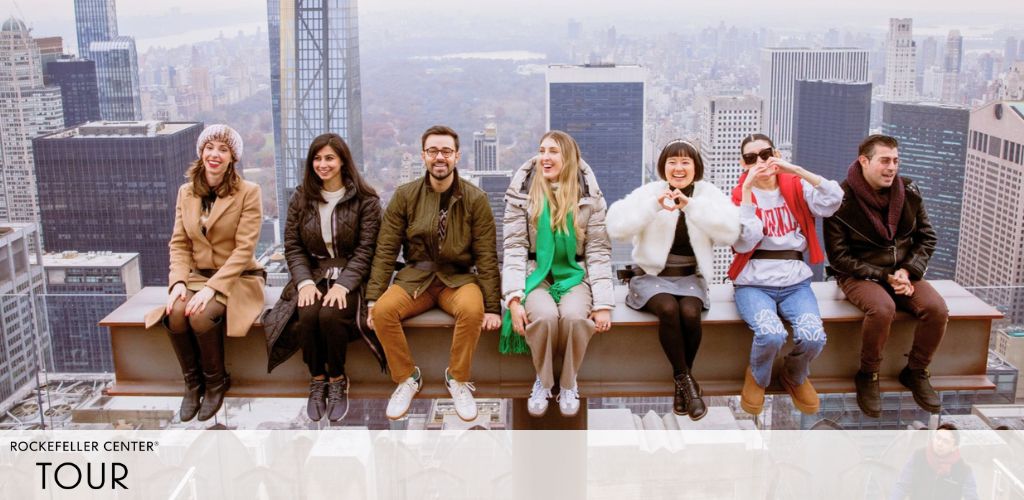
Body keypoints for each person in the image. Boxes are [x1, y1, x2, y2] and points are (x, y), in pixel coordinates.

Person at [365, 125, 501, 422]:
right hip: (417, 278)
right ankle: (406, 378)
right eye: (433, 151)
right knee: (384, 312)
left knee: (472, 309)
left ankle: (457, 378)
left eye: (446, 151)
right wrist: (373, 297)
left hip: (459, 278)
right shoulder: (405, 196)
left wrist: (493, 306)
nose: (440, 157)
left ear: (457, 156)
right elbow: (386, 250)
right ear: (423, 155)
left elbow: (487, 255)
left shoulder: (475, 199)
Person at [606, 139, 740, 420]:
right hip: (652, 276)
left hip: (690, 275)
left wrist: (691, 207)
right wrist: (652, 208)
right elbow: (616, 226)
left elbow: (730, 231)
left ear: (696, 167)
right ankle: (688, 384)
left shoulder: (707, 194)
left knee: (690, 313)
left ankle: (682, 386)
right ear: (663, 167)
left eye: (685, 162)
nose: (678, 168)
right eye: (672, 162)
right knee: (668, 309)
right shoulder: (651, 192)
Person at [144, 124, 265, 422]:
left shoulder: (249, 192)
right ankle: (192, 383)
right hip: (195, 275)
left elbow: (244, 250)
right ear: (201, 152)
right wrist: (178, 283)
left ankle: (215, 381)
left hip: (236, 277)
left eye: (223, 150)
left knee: (199, 315)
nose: (215, 154)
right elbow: (179, 243)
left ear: (232, 158)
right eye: (210, 147)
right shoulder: (186, 192)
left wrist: (213, 288)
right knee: (175, 312)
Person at [825, 134, 948, 418]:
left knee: (936, 309)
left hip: (903, 272)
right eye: (884, 160)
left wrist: (907, 271)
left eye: (895, 160)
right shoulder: (840, 201)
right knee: (882, 309)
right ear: (864, 161)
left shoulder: (909, 192)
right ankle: (868, 375)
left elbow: (927, 237)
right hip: (859, 274)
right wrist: (884, 275)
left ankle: (916, 370)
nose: (891, 167)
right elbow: (840, 258)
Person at [266, 133, 384, 423]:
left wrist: (344, 285)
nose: (323, 164)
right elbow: (293, 246)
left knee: (331, 316)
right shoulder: (301, 198)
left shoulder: (365, 200)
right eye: (317, 158)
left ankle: (337, 378)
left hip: (352, 275)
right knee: (306, 316)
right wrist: (305, 282)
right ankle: (317, 378)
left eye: (329, 157)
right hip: (314, 274)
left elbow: (367, 249)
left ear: (343, 160)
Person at [501, 130, 614, 418]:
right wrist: (514, 298)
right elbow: (514, 246)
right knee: (545, 317)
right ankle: (544, 380)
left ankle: (568, 382)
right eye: (542, 151)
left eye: (553, 152)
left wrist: (603, 304)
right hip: (535, 271)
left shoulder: (590, 196)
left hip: (574, 273)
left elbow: (598, 251)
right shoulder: (522, 193)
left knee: (576, 318)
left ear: (569, 158)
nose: (545, 158)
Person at [731, 133, 843, 416]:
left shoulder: (796, 187)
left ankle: (795, 374)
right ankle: (758, 377)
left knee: (814, 336)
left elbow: (833, 200)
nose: (760, 162)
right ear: (743, 164)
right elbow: (745, 241)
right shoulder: (737, 196)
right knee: (770, 334)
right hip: (753, 283)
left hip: (795, 282)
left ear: (776, 154)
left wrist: (795, 170)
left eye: (766, 154)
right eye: (751, 158)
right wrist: (747, 191)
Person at [890, 423, 978, 500]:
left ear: (954, 447)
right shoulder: (918, 456)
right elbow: (902, 486)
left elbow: (972, 497)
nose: (939, 443)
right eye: (938, 438)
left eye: (945, 441)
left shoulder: (963, 470)